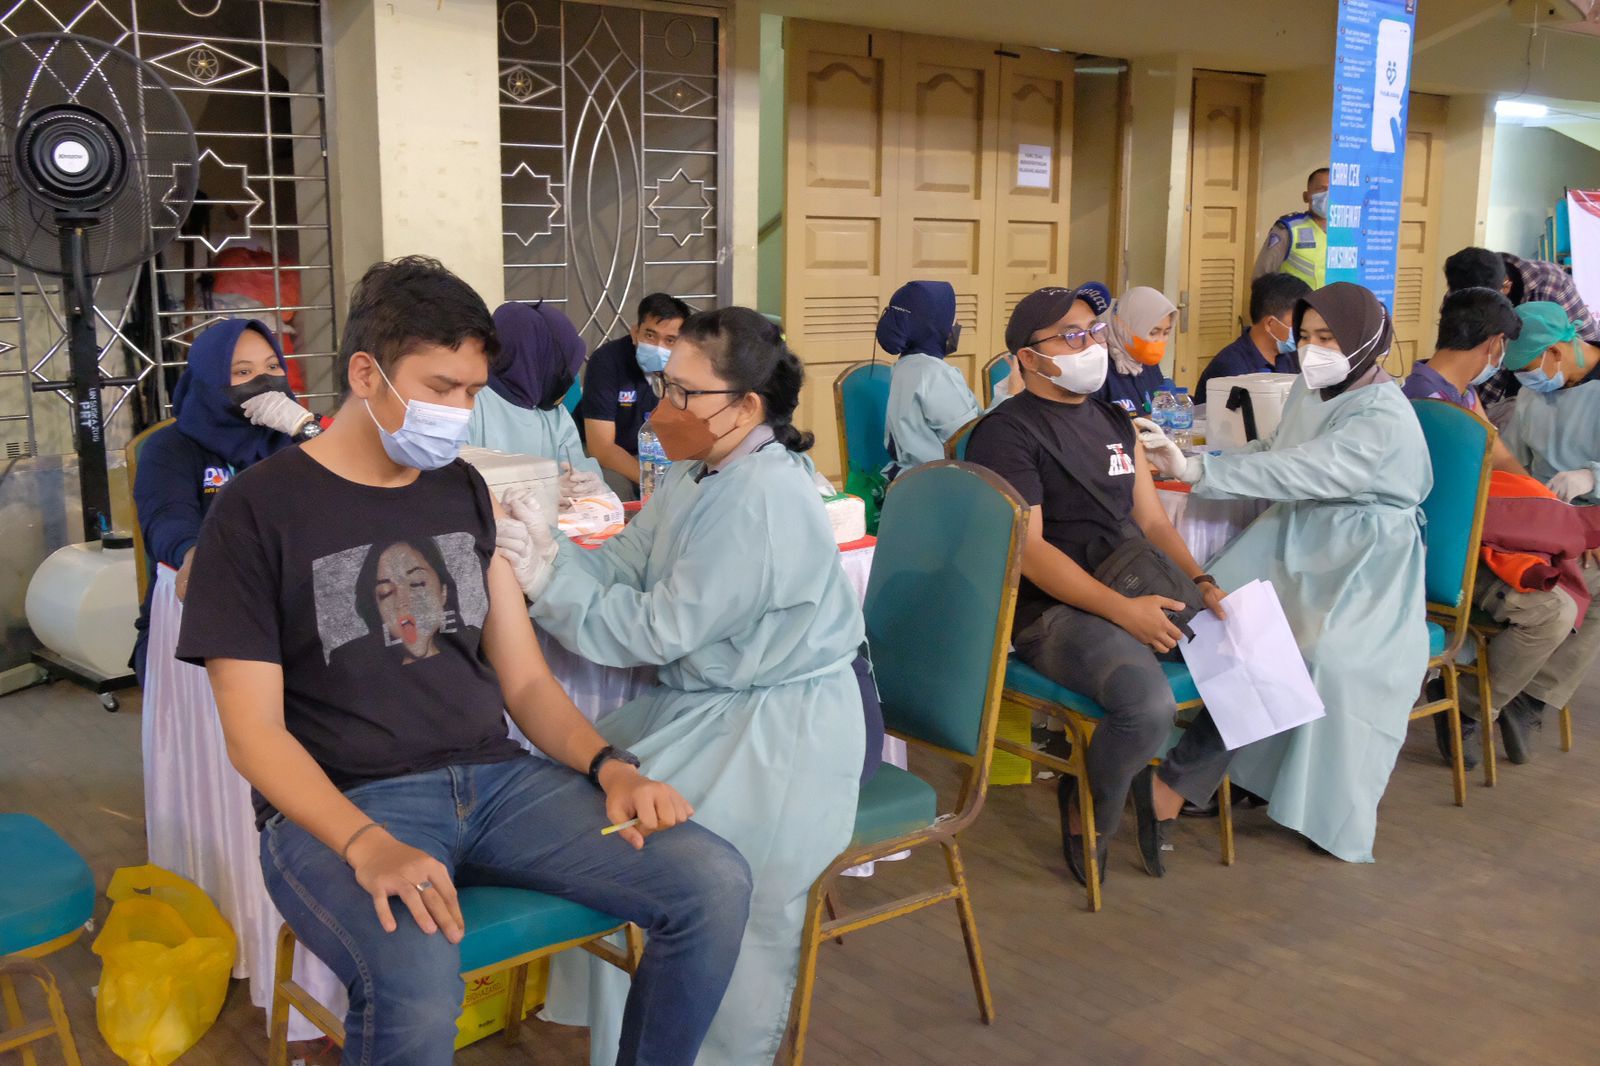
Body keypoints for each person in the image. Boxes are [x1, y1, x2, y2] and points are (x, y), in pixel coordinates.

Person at [175, 257, 751, 1066]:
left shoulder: (461, 489)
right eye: (441, 388)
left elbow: (525, 679)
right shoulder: (255, 511)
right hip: (344, 800)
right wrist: (365, 842)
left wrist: (609, 765)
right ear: (366, 375)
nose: (457, 412)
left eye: (473, 392)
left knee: (712, 883)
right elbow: (254, 734)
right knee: (415, 977)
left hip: (495, 783)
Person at [496, 307, 866, 1065]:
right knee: (588, 794)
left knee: (661, 856)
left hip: (776, 732)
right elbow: (629, 560)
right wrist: (551, 554)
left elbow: (656, 630)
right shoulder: (703, 471)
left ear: (747, 406)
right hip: (711, 706)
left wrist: (547, 582)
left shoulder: (763, 500)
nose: (665, 408)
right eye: (666, 386)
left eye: (686, 394)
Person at [1141, 282, 1432, 863]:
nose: (1313, 349)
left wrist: (1200, 473)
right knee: (1223, 620)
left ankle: (1224, 788)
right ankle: (1196, 776)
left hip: (1361, 559)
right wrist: (1196, 461)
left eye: (1329, 337)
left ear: (1365, 340)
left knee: (1317, 658)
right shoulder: (1311, 386)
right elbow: (1276, 450)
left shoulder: (1383, 415)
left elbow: (1303, 469)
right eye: (1305, 336)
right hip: (1298, 537)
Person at [964, 286, 1234, 885]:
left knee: (1259, 663)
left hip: (1133, 579)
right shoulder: (1006, 434)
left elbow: (1153, 522)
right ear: (1029, 357)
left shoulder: (1114, 420)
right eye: (1070, 335)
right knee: (1146, 706)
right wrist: (1123, 612)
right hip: (1055, 608)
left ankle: (1168, 790)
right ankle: (1088, 805)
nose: (1088, 344)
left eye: (1092, 331)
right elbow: (1030, 551)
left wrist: (1201, 579)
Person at [131, 318, 316, 681]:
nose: (264, 381)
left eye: (273, 367)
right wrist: (194, 555)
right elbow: (167, 519)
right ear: (209, 379)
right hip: (203, 619)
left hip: (299, 613)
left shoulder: (300, 439)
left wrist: (306, 429)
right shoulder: (171, 447)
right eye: (243, 372)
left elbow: (360, 484)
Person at [466, 300, 606, 503]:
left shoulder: (555, 414)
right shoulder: (469, 402)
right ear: (539, 359)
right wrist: (543, 492)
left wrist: (591, 487)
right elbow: (456, 486)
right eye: (562, 366)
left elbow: (578, 468)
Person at [880, 279, 1018, 470]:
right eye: (952, 319)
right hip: (942, 481)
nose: (956, 325)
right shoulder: (935, 374)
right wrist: (1010, 395)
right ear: (935, 325)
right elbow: (973, 441)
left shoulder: (904, 365)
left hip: (912, 477)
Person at [1444, 246, 1600, 408]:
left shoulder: (1550, 284)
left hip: (1564, 378)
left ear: (1506, 286)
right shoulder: (1463, 294)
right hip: (1508, 382)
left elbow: (1581, 351)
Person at [1401, 287, 1528, 475]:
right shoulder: (1428, 400)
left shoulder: (1464, 391)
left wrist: (1538, 492)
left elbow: (1499, 457)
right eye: (1504, 347)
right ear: (1495, 343)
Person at [578, 292, 691, 500]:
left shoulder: (689, 366)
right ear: (635, 332)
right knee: (617, 487)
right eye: (650, 336)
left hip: (659, 454)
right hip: (608, 455)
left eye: (670, 340)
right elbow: (601, 448)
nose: (658, 347)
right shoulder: (607, 361)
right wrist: (653, 482)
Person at [1500, 301, 1600, 502]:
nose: (1525, 379)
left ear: (1554, 352)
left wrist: (1592, 478)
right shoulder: (1531, 393)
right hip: (1546, 508)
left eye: (1527, 370)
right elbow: (1510, 459)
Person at [1194, 273, 1310, 398]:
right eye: (1297, 322)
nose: (1302, 329)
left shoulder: (1293, 357)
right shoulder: (1231, 368)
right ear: (1270, 323)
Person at [1095, 286, 1177, 415]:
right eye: (1153, 332)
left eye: (1166, 333)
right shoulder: (1098, 366)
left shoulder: (1146, 361)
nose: (1159, 340)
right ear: (1124, 327)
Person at [1252, 167, 1330, 286]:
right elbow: (1261, 278)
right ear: (1306, 196)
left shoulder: (1350, 231)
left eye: (1334, 190)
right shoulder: (1288, 229)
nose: (1327, 195)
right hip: (1296, 298)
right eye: (1321, 189)